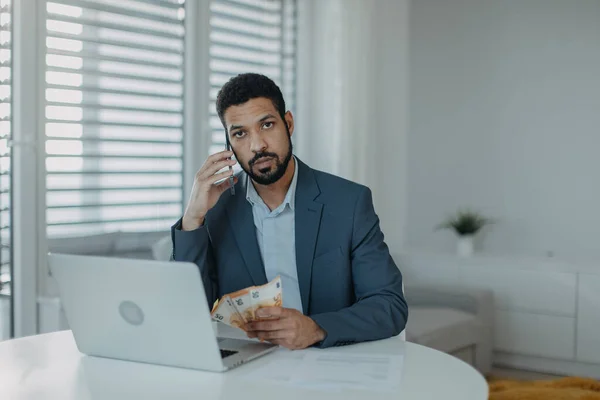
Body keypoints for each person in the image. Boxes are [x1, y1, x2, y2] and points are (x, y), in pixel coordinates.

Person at [171, 73, 407, 349]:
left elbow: (389, 305)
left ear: (289, 123)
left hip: (331, 367)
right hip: (246, 369)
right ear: (228, 145)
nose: (257, 145)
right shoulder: (215, 209)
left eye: (267, 125)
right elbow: (184, 312)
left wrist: (317, 328)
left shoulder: (349, 202)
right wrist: (193, 218)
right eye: (240, 133)